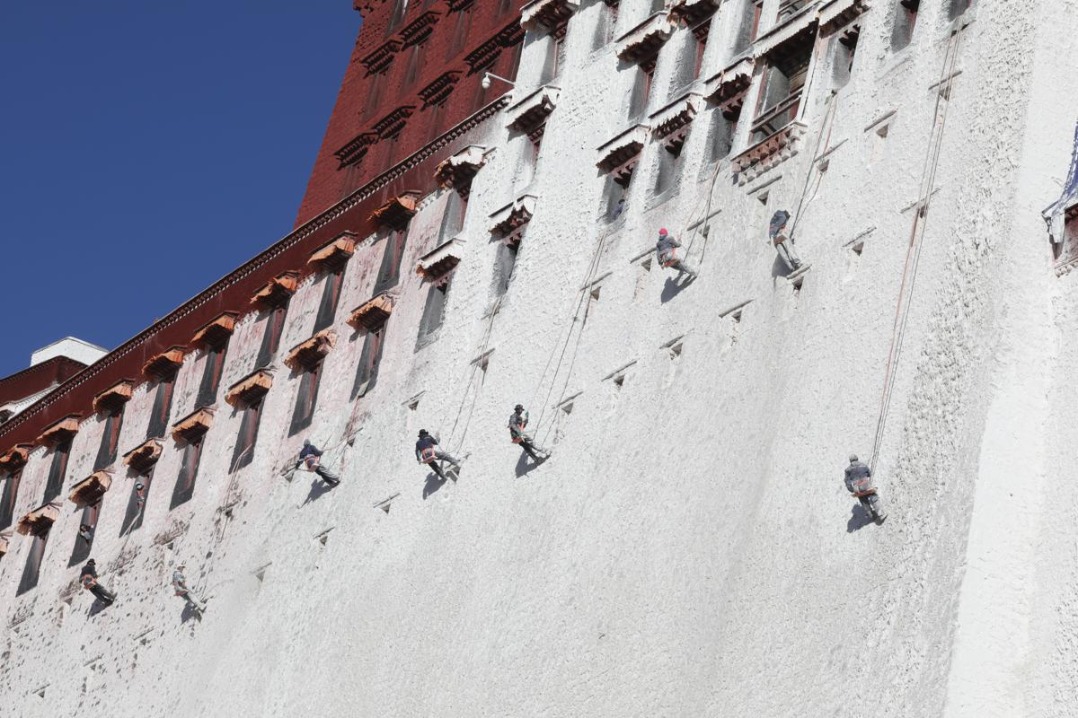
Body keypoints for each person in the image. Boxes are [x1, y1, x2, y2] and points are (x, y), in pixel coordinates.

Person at [844, 454, 886, 523]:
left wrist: (851, 489)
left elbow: (847, 481)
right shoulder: (863, 465)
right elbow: (869, 473)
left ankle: (871, 515)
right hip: (865, 485)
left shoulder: (847, 470)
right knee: (873, 497)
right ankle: (880, 513)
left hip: (856, 488)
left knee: (863, 500)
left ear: (850, 461)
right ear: (857, 458)